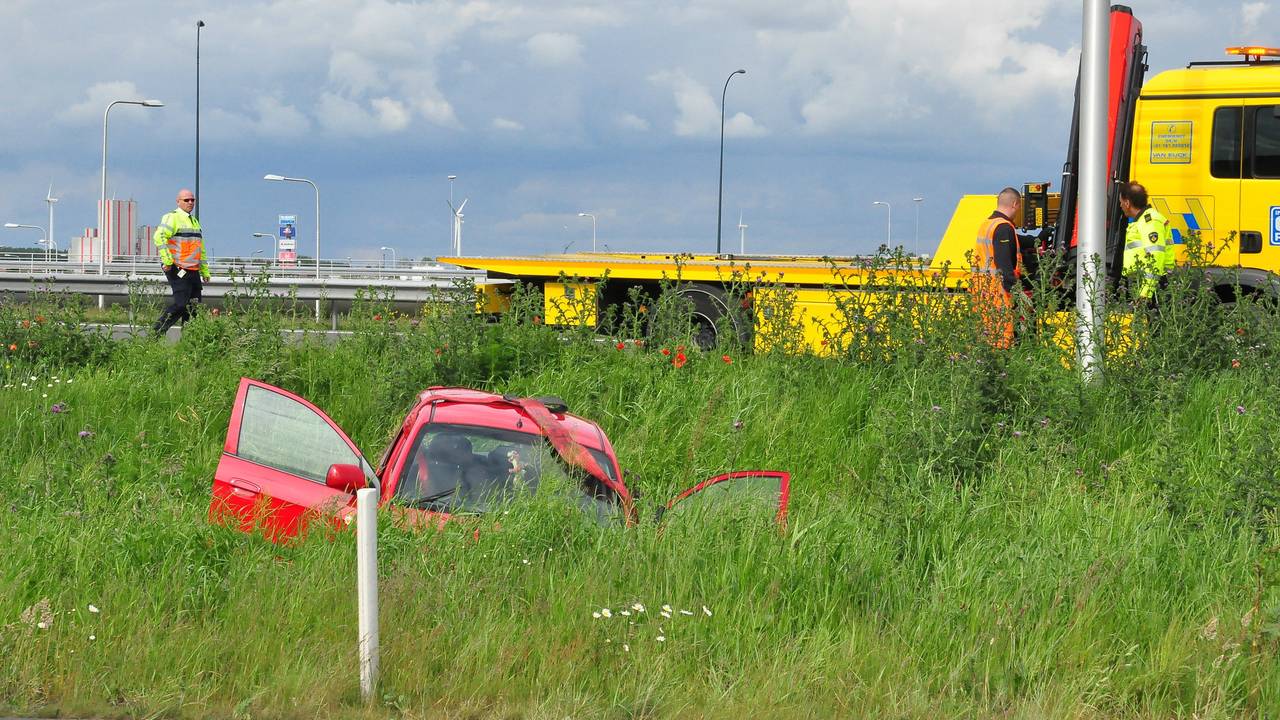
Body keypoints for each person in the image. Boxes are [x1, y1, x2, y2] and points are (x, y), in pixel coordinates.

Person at [971, 187, 1029, 348]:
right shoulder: (1004, 228)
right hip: (999, 293)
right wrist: (1018, 293)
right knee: (1002, 339)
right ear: (1015, 204)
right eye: (1019, 206)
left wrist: (1033, 240)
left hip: (983, 291)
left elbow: (1010, 240)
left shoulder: (988, 224)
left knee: (986, 337)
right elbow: (1004, 265)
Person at [152, 189, 210, 335]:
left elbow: (200, 248)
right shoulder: (172, 217)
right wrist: (167, 261)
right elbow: (159, 237)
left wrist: (205, 270)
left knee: (193, 307)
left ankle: (188, 341)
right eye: (186, 200)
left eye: (192, 200)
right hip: (178, 268)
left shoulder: (194, 221)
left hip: (193, 270)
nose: (190, 202)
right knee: (181, 304)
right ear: (178, 202)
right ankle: (156, 333)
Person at [1118, 182, 1174, 302]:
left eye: (1121, 202)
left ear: (1127, 203)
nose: (1120, 205)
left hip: (1152, 286)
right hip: (1145, 283)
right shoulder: (1143, 220)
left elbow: (1155, 257)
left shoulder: (1150, 221)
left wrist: (1145, 294)